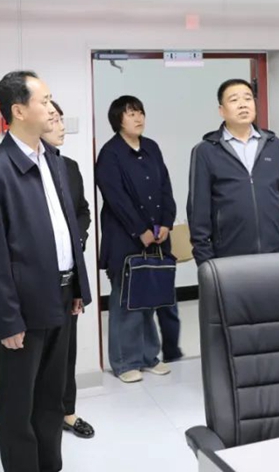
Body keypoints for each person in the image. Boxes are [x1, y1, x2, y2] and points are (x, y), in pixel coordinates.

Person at [0, 71, 91, 472]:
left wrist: (77, 286)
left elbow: (68, 228)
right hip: (24, 306)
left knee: (51, 398)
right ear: (19, 111)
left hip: (61, 296)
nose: (52, 108)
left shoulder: (53, 160)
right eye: (44, 101)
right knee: (19, 404)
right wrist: (7, 320)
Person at [95, 95, 180, 383]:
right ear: (118, 120)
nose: (138, 118)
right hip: (125, 239)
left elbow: (166, 187)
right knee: (126, 301)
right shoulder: (110, 154)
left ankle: (148, 357)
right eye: (131, 113)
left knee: (149, 298)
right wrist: (140, 230)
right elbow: (116, 198)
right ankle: (124, 362)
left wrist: (166, 222)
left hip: (157, 237)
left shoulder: (151, 147)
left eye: (140, 112)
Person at [187, 78, 279, 265]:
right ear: (221, 111)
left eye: (248, 98)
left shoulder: (272, 144)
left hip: (276, 251)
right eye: (234, 100)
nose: (242, 105)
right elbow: (198, 210)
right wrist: (205, 259)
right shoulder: (205, 151)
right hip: (228, 256)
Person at [43, 100, 95, 440]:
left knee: (67, 351)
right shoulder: (22, 170)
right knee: (39, 355)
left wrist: (77, 239)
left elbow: (83, 211)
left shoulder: (70, 167)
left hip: (68, 272)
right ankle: (42, 416)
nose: (61, 126)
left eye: (62, 119)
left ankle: (67, 411)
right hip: (38, 278)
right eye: (53, 120)